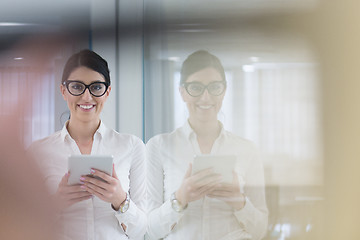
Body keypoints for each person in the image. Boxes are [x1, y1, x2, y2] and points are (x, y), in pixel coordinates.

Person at [146, 50, 268, 240]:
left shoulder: (247, 150)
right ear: (182, 92)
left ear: (224, 91)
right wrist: (180, 198)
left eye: (214, 87)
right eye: (195, 88)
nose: (205, 97)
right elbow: (150, 232)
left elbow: (260, 230)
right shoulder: (159, 146)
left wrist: (239, 201)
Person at [28, 49, 146, 240]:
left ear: (107, 92)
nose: (86, 97)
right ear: (63, 91)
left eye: (96, 87)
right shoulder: (38, 152)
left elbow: (142, 231)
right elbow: (24, 228)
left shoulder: (132, 146)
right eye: (77, 87)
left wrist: (120, 200)